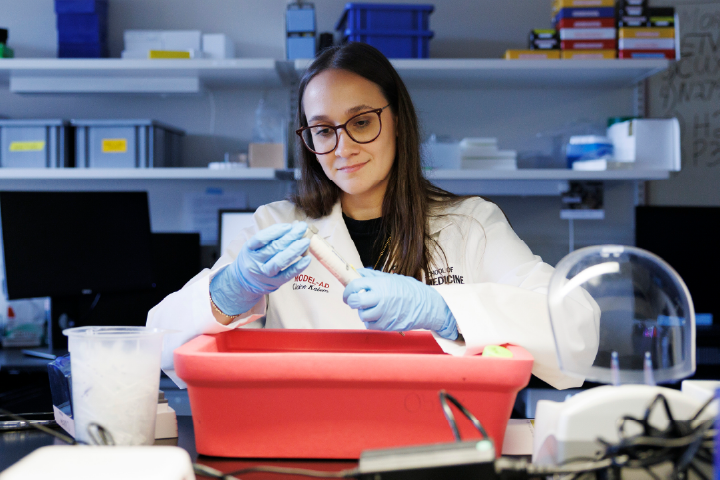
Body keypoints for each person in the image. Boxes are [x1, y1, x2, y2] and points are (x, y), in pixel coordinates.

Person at [147, 42, 599, 389]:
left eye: (361, 121)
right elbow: (160, 346)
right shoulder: (275, 225)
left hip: (439, 450)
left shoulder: (471, 224)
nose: (342, 148)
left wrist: (445, 311)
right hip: (302, 447)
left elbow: (576, 329)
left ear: (398, 119)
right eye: (323, 130)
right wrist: (230, 292)